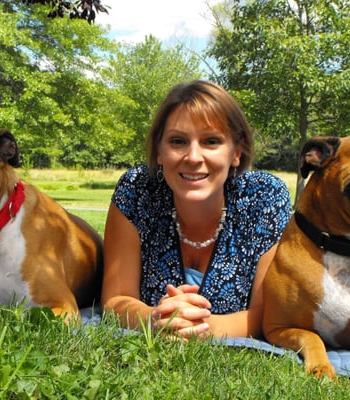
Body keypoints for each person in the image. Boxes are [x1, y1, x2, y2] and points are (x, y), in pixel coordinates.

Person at [102, 80, 292, 340]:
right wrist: (157, 319)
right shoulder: (136, 190)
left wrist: (201, 329)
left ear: (236, 152)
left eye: (211, 141)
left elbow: (267, 315)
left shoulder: (265, 197)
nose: (193, 157)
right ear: (159, 150)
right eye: (178, 141)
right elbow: (116, 301)